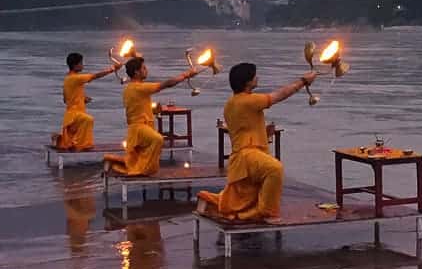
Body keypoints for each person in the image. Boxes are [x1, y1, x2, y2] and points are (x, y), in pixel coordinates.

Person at [196, 62, 317, 223]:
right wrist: (303, 81)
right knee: (275, 169)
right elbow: (278, 96)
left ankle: (211, 201)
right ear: (247, 81)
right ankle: (268, 212)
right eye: (254, 76)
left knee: (243, 197)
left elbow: (245, 128)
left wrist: (264, 133)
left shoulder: (231, 103)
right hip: (248, 155)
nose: (257, 77)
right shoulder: (248, 100)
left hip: (242, 156)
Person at [103, 56, 204, 177]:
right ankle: (141, 171)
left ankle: (114, 163)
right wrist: (186, 75)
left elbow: (136, 107)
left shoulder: (132, 88)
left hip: (140, 127)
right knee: (157, 139)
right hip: (139, 129)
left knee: (135, 159)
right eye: (144, 68)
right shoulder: (137, 87)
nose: (146, 70)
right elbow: (166, 84)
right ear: (136, 72)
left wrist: (153, 110)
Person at [52, 52, 123, 150]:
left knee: (72, 134)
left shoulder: (67, 79)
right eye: (81, 63)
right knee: (88, 119)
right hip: (74, 115)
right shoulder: (76, 78)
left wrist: (82, 99)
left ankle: (61, 140)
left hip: (73, 114)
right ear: (75, 65)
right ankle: (83, 145)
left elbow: (65, 99)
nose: (82, 65)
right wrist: (112, 69)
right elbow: (95, 76)